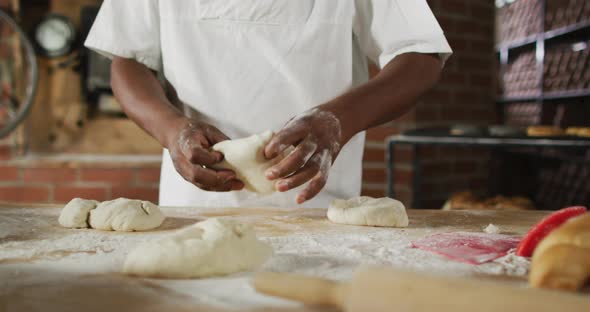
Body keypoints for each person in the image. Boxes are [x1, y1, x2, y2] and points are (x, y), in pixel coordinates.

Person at [85, 0, 452, 208]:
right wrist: (171, 130)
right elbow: (128, 59)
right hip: (193, 212)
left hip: (317, 212)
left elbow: (420, 54)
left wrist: (339, 119)